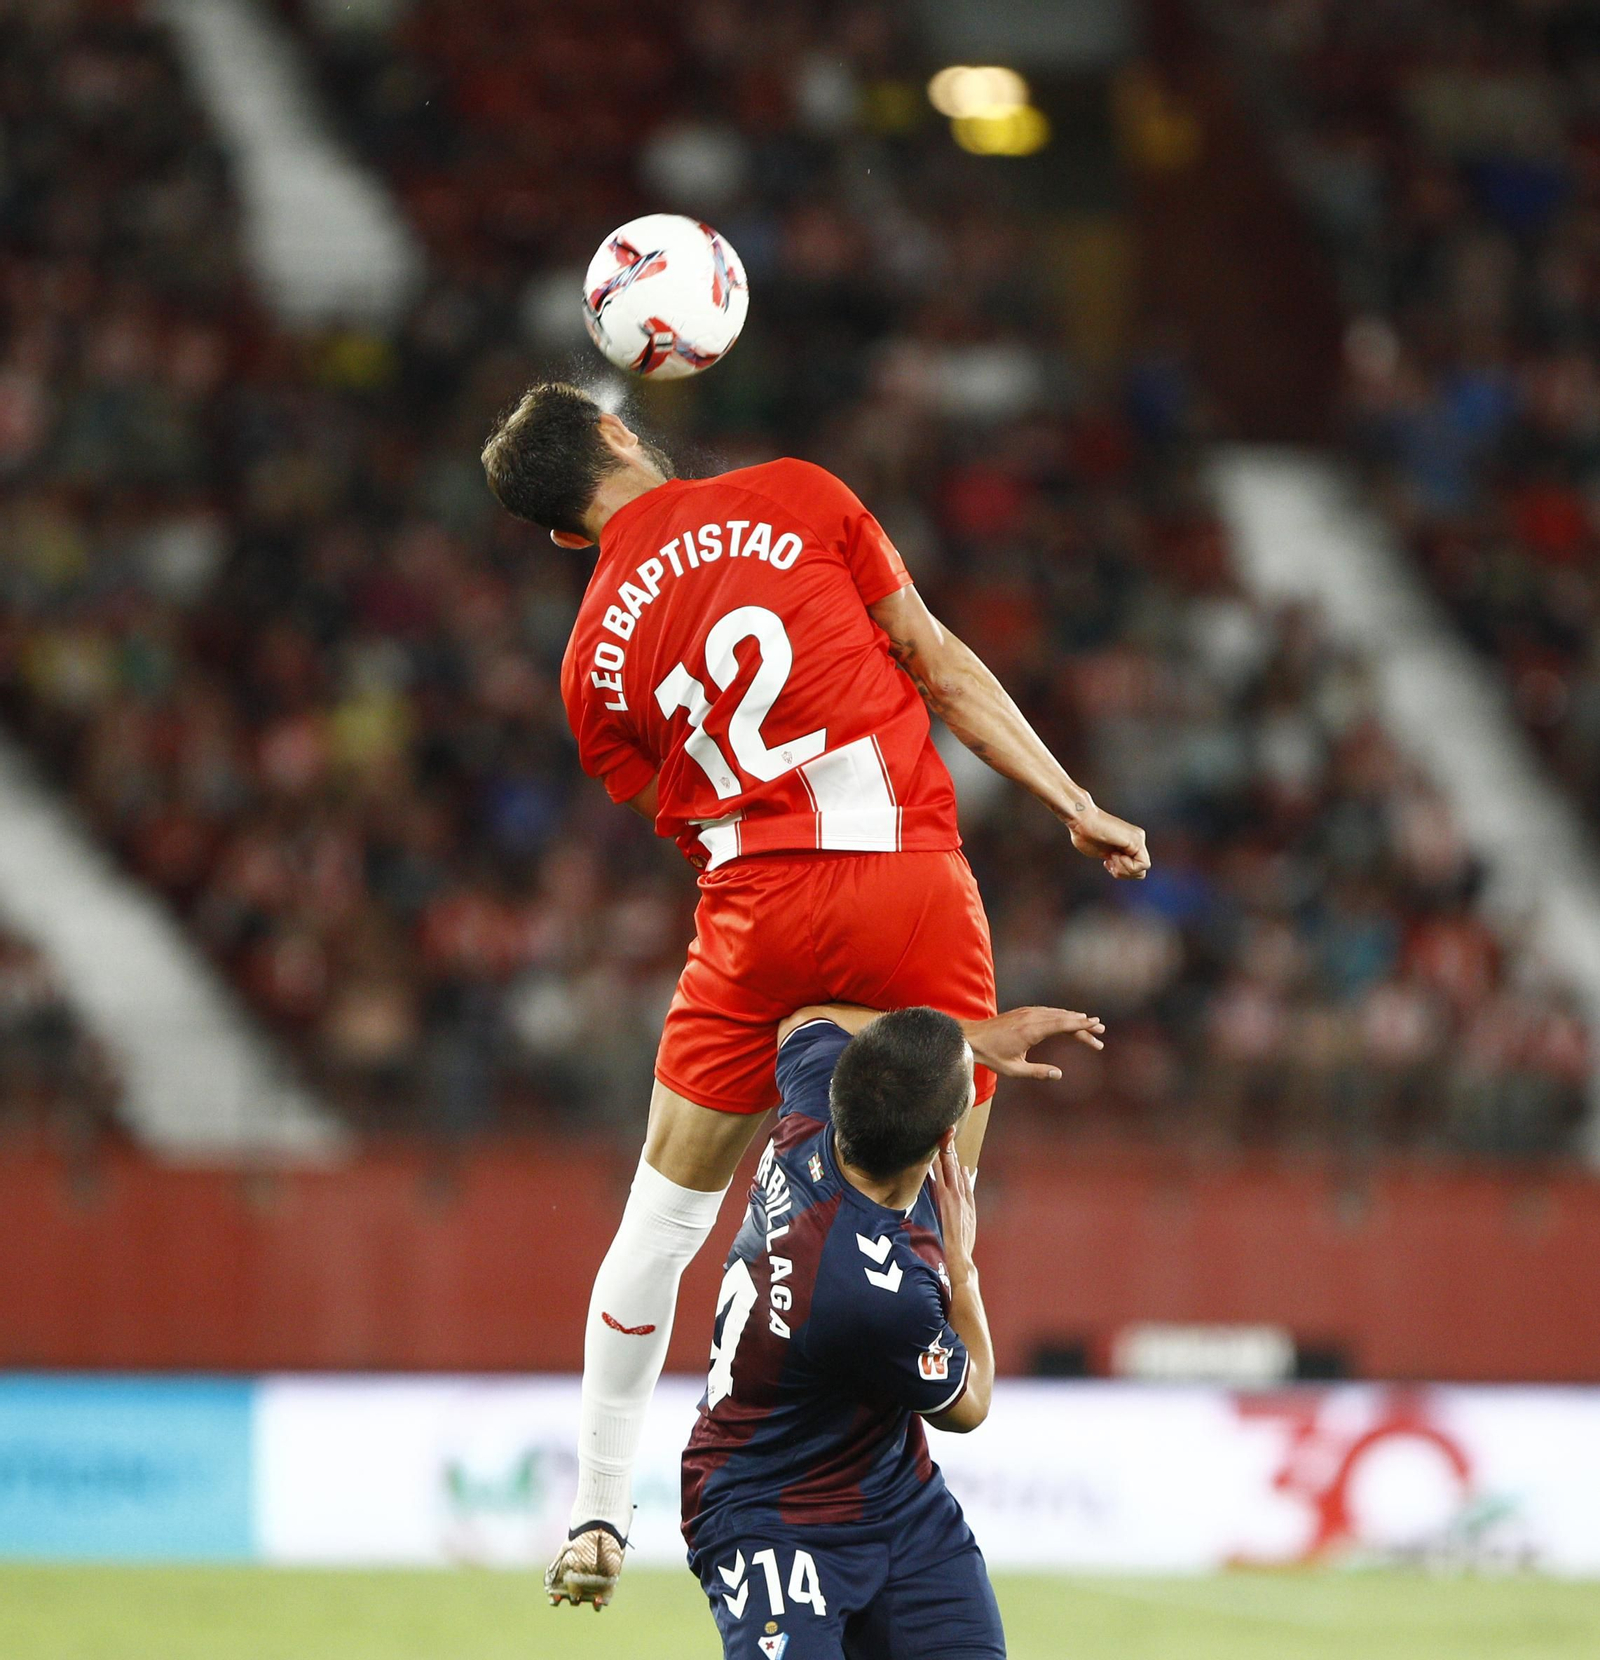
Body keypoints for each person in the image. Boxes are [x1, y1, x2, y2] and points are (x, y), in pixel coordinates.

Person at [479, 382, 1148, 1606]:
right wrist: (1072, 804)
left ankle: (594, 1511)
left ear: (563, 535)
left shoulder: (587, 668)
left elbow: (680, 819)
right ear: (622, 435)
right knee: (935, 1201)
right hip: (909, 888)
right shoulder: (797, 492)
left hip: (754, 914)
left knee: (660, 1230)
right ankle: (897, 1482)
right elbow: (937, 669)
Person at [681, 1000, 1081, 1659]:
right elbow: (970, 1402)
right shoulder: (878, 1291)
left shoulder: (811, 1108)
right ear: (946, 1138)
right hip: (768, 1513)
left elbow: (803, 1020)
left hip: (892, 1502)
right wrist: (963, 1264)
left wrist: (969, 1042)